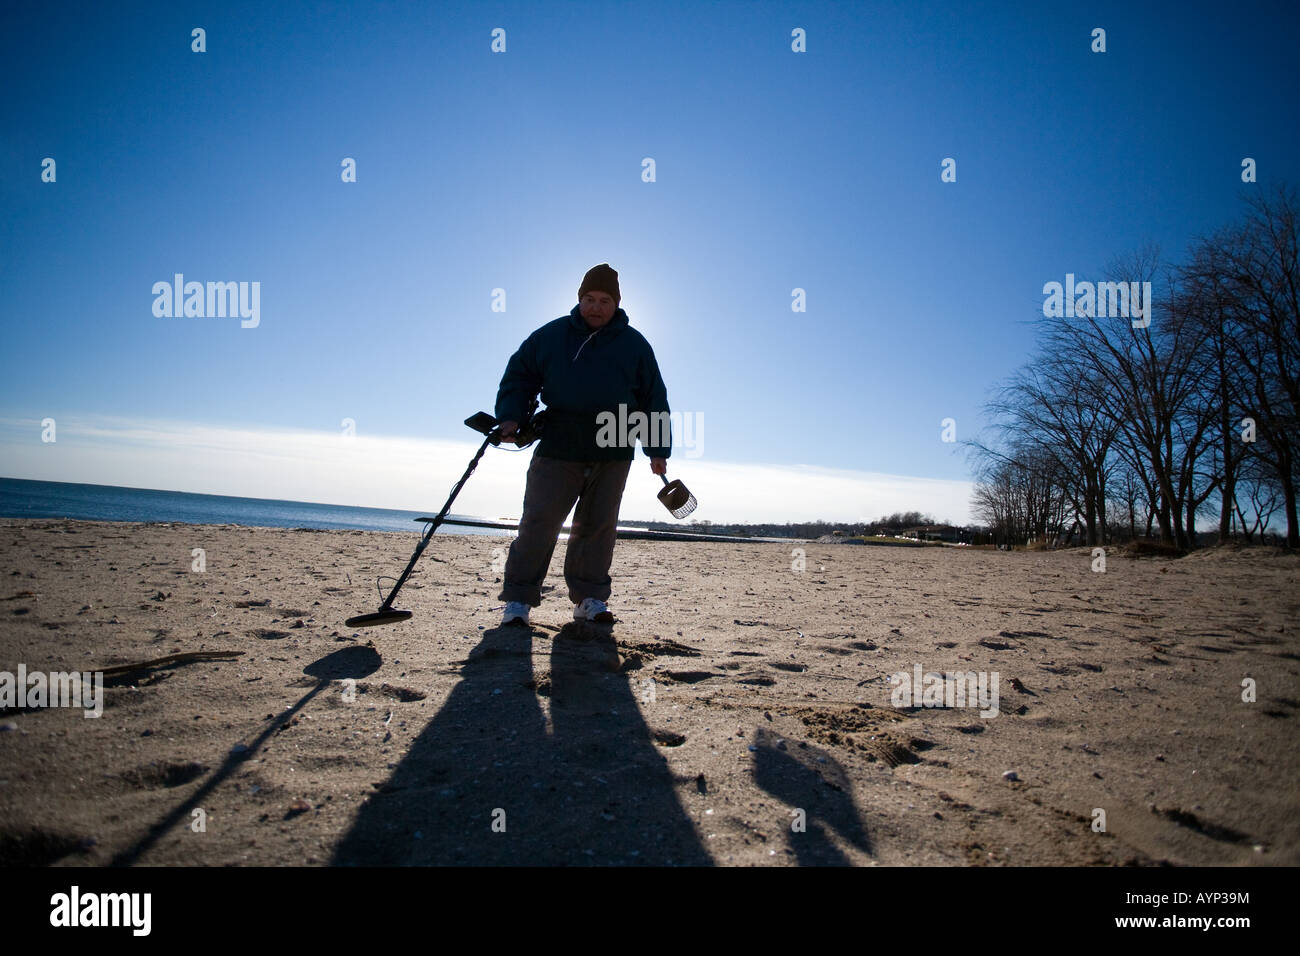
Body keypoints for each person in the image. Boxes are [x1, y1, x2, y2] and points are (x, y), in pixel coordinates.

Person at [494, 263, 670, 626]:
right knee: (539, 523)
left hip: (616, 442)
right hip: (561, 440)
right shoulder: (551, 336)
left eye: (604, 300)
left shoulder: (635, 344)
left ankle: (589, 599)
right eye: (589, 299)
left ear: (616, 304)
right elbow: (519, 375)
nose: (595, 307)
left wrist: (657, 449)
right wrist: (510, 416)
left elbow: (653, 397)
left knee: (598, 526)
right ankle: (518, 601)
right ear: (579, 299)